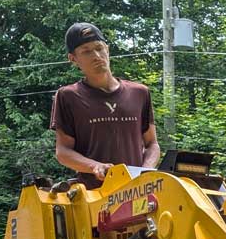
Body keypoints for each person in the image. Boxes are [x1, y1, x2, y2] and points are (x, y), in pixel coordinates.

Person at [50, 22, 160, 189]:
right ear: (73, 59)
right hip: (94, 197)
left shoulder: (140, 92)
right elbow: (63, 152)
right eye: (86, 51)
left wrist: (146, 170)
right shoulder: (68, 96)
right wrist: (95, 166)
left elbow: (152, 144)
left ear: (107, 49)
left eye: (99, 48)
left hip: (138, 195)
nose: (96, 55)